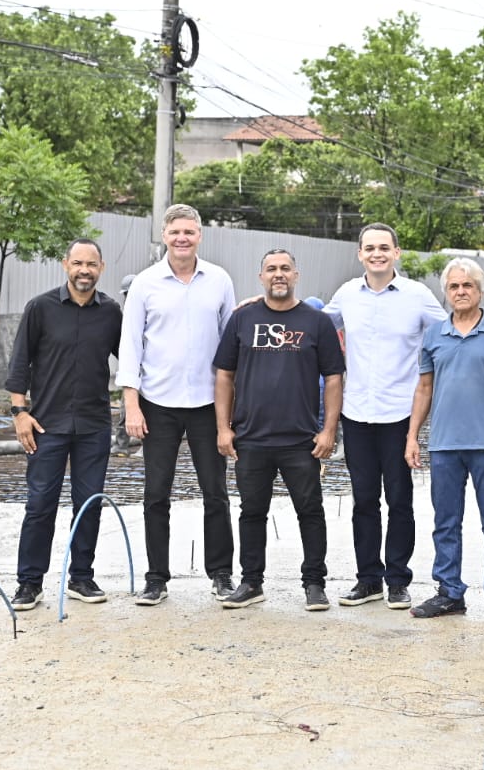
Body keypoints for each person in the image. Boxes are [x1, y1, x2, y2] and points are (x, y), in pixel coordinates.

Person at [323, 223, 446, 611]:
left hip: (399, 414)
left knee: (400, 500)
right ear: (360, 254)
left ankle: (397, 579)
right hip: (357, 412)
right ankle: (368, 579)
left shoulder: (417, 295)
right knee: (363, 502)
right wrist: (258, 306)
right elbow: (314, 327)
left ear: (397, 253)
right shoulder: (346, 294)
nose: (377, 253)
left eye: (384, 247)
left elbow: (451, 330)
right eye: (369, 248)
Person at [213, 249, 344, 612]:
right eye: (271, 269)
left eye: (285, 268)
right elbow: (224, 374)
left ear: (296, 275)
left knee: (311, 512)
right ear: (261, 277)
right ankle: (251, 582)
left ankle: (314, 583)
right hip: (251, 439)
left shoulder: (316, 322)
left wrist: (328, 429)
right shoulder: (243, 319)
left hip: (301, 440)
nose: (279, 274)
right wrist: (223, 428)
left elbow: (334, 377)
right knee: (251, 513)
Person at [118, 204, 237, 606]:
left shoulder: (219, 281)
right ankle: (156, 578)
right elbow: (130, 347)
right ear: (164, 236)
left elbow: (229, 347)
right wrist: (131, 407)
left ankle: (221, 574)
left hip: (207, 403)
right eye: (175, 232)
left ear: (199, 235)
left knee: (215, 492)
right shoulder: (146, 284)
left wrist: (231, 410)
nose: (182, 238)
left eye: (189, 232)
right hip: (158, 403)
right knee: (156, 494)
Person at [406, 258, 484, 627]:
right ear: (446, 292)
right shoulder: (434, 335)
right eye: (454, 287)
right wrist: (412, 436)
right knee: (445, 521)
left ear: (480, 290)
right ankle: (449, 593)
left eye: (467, 286)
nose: (460, 292)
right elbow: (424, 387)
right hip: (444, 444)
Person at [5, 239, 122, 611]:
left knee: (88, 505)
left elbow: (134, 358)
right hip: (46, 425)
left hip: (93, 425)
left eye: (90, 264)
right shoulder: (40, 308)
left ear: (101, 267)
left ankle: (82, 578)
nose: (83, 270)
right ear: (64, 265)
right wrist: (19, 413)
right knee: (40, 504)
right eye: (77, 263)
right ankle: (29, 583)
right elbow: (19, 363)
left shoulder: (111, 313)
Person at [111, 274, 136, 456]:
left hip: (150, 371)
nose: (128, 298)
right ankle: (121, 446)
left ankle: (147, 447)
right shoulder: (123, 316)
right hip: (130, 371)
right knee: (125, 411)